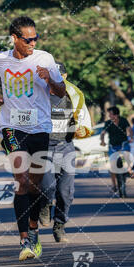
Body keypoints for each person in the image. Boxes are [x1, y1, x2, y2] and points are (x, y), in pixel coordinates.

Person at [0, 16, 66, 261]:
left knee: (36, 185)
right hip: (11, 126)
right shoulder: (1, 59)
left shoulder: (45, 59)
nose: (32, 43)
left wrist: (50, 80)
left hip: (40, 127)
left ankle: (33, 227)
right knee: (21, 178)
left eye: (35, 38)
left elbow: (61, 92)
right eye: (27, 39)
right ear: (14, 38)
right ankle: (25, 240)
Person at [37, 62, 93, 242]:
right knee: (47, 186)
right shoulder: (39, 96)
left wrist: (82, 130)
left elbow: (83, 121)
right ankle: (44, 204)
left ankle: (59, 226)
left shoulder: (73, 96)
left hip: (66, 147)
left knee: (65, 192)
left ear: (65, 77)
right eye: (51, 75)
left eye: (59, 75)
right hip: (44, 148)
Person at [100, 106, 134, 197]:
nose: (109, 116)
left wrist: (131, 137)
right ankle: (114, 185)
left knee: (125, 156)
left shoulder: (123, 120)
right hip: (113, 147)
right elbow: (103, 133)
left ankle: (130, 170)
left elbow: (129, 130)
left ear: (116, 115)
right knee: (112, 165)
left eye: (110, 114)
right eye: (109, 114)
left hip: (123, 144)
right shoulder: (108, 123)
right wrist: (102, 141)